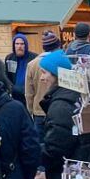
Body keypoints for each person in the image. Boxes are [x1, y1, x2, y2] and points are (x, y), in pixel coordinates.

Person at [38, 50, 90, 179]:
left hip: (71, 173)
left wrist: (37, 154)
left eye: (44, 72)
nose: (41, 77)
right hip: (86, 167)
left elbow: (56, 147)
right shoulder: (76, 96)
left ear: (57, 75)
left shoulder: (61, 104)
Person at [25, 31, 62, 169]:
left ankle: (41, 170)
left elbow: (29, 92)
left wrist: (31, 110)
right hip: (57, 110)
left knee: (40, 144)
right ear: (57, 45)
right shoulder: (61, 61)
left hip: (38, 111)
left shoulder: (32, 64)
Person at [3, 33, 36, 104]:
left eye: (22, 44)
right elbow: (5, 76)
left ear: (26, 45)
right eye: (17, 44)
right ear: (13, 45)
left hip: (29, 95)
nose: (19, 46)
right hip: (14, 96)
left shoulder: (34, 58)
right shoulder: (9, 58)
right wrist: (11, 88)